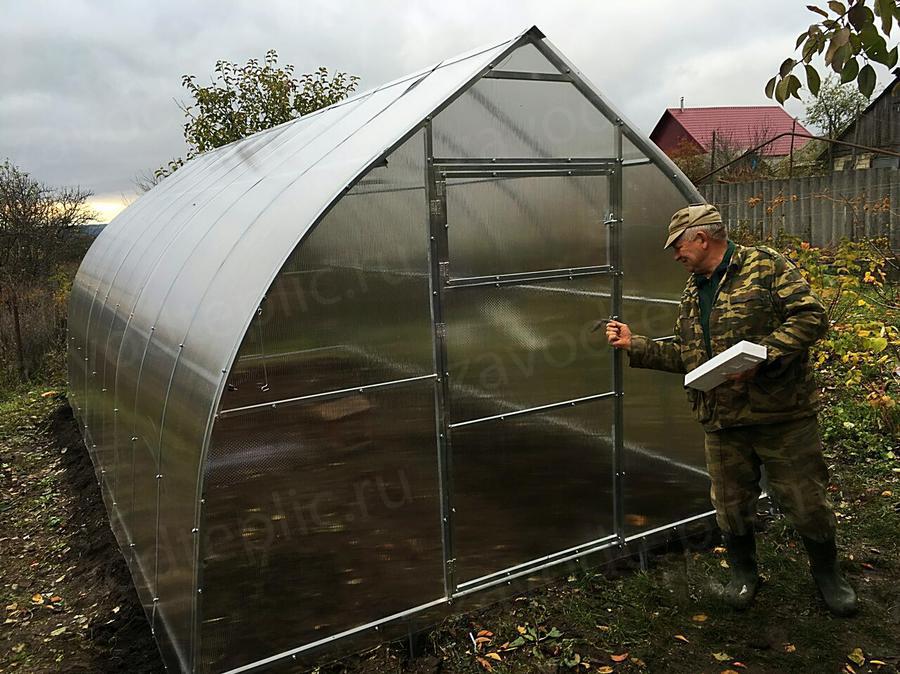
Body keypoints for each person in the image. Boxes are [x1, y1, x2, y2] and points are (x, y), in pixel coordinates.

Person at [605, 203, 857, 616]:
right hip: (721, 421)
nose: (675, 255)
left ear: (702, 238)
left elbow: (811, 317)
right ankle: (744, 573)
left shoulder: (765, 266)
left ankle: (829, 574)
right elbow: (690, 357)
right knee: (731, 504)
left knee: (805, 500)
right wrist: (636, 344)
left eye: (678, 245)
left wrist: (765, 355)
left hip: (781, 417)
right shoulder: (694, 290)